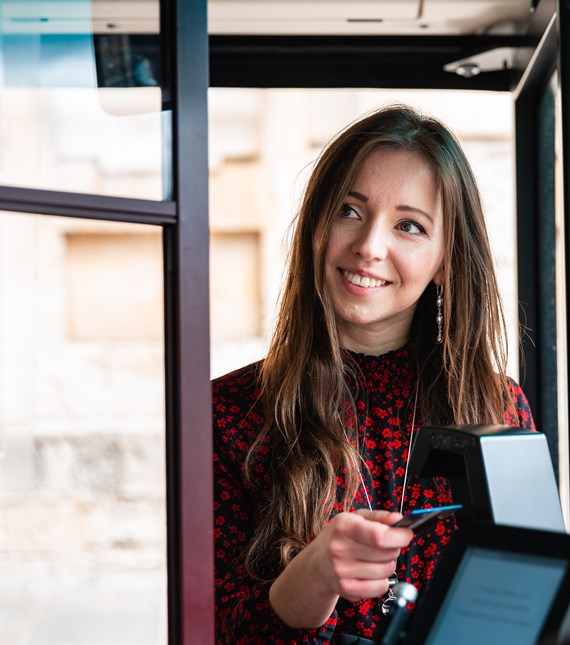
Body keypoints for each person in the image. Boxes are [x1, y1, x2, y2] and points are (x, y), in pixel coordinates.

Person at [212, 104, 534, 643]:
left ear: (446, 259)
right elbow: (215, 627)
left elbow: (525, 602)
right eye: (350, 211)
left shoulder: (498, 407)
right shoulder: (227, 411)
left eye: (409, 225)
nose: (369, 247)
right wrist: (313, 575)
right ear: (317, 225)